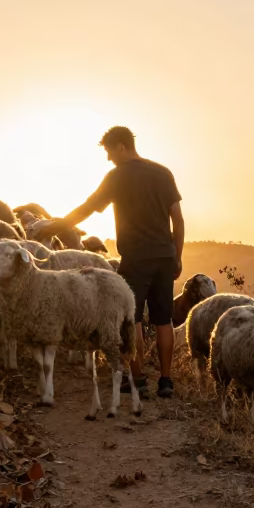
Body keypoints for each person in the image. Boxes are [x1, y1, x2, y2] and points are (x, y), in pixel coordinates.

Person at [55, 126, 184, 398]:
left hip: (136, 258)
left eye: (109, 151)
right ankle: (166, 381)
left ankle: (137, 381)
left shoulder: (116, 176)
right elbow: (178, 218)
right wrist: (178, 255)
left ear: (122, 146)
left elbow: (88, 208)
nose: (108, 158)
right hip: (165, 255)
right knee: (163, 320)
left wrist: (58, 225)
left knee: (131, 319)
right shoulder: (163, 172)